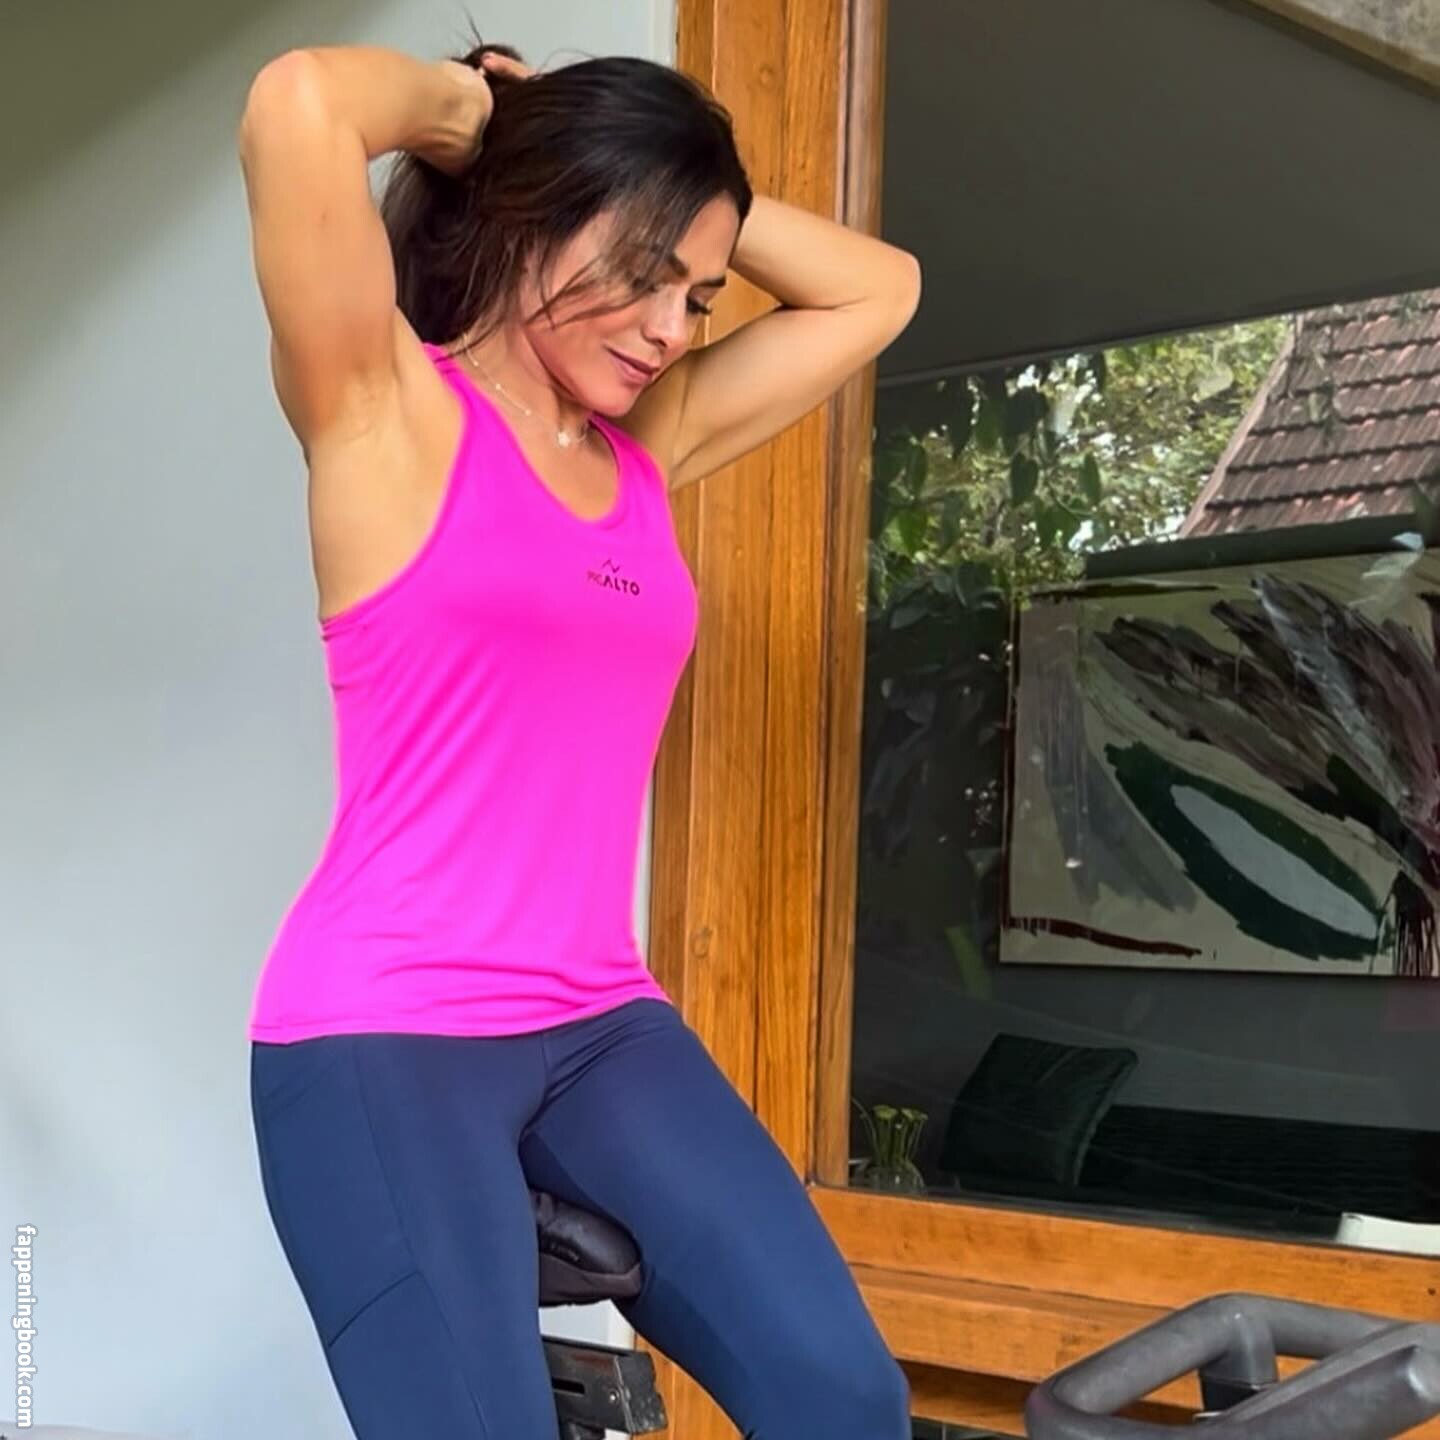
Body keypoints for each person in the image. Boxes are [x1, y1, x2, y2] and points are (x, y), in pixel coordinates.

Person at [238, 27, 921, 1439]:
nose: (672, 327)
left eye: (699, 295)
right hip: (386, 1032)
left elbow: (881, 287)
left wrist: (682, 186)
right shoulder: (385, 412)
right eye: (644, 271)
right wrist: (503, 117)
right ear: (538, 209)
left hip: (600, 1023)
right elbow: (298, 103)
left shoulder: (645, 449)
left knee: (842, 1396)